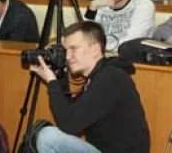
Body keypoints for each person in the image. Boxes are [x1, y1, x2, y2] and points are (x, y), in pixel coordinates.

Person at [30, 21, 150, 153]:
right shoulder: (97, 77)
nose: (68, 57)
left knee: (48, 137)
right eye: (66, 51)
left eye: (74, 49)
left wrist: (52, 82)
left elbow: (70, 124)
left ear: (95, 50)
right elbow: (71, 115)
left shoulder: (111, 78)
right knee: (43, 133)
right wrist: (59, 77)